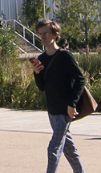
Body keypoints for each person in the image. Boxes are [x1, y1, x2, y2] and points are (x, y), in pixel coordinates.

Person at [30, 19, 85, 173]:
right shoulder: (41, 59)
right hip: (52, 111)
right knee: (70, 150)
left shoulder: (64, 56)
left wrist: (71, 104)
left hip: (64, 112)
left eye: (46, 33)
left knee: (53, 149)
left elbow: (80, 79)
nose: (43, 37)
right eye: (40, 34)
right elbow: (42, 87)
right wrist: (36, 73)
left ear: (55, 35)